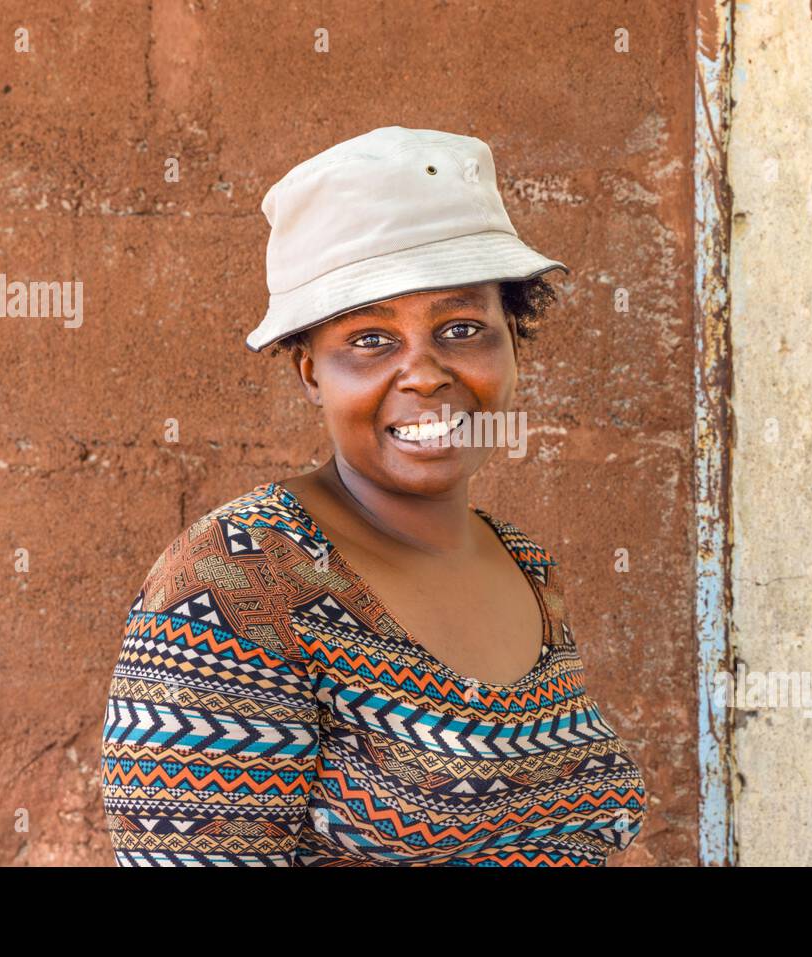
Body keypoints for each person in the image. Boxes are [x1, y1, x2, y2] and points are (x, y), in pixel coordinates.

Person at [100, 126, 647, 865]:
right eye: (369, 340)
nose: (424, 374)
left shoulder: (524, 565)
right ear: (309, 372)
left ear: (513, 344)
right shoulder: (234, 580)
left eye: (462, 328)